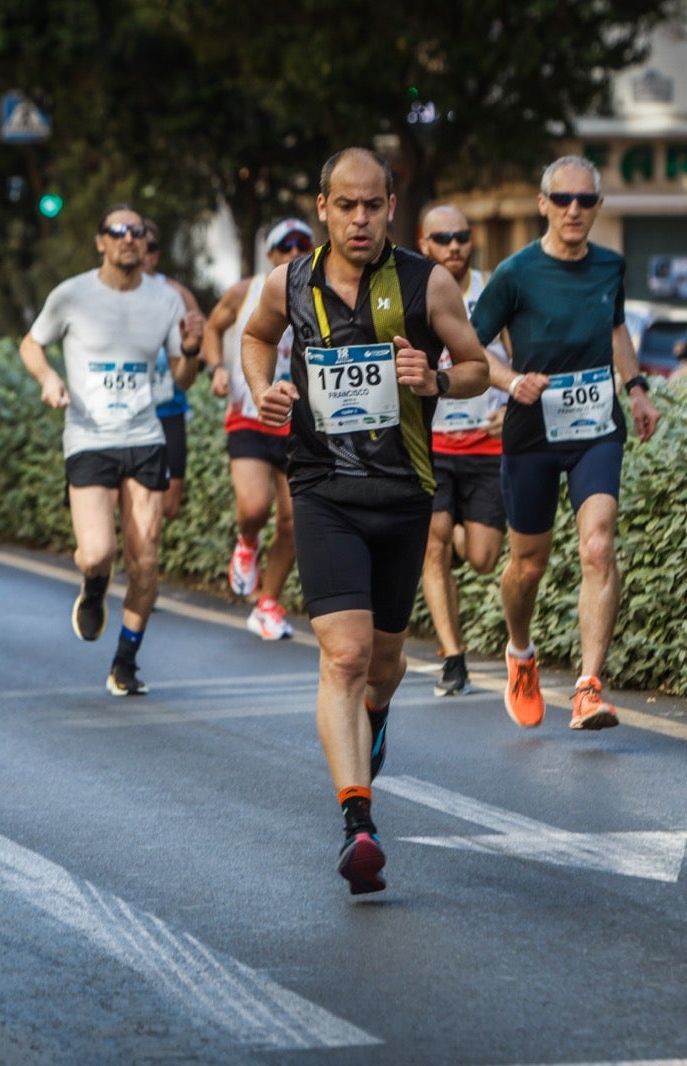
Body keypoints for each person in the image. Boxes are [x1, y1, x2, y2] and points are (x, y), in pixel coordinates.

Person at [241, 148, 490, 895]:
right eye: (345, 205)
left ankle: (377, 711)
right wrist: (266, 390)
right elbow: (257, 339)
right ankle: (358, 824)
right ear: (322, 206)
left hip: (404, 492)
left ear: (390, 208)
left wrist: (438, 378)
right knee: (343, 656)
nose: (359, 219)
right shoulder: (289, 283)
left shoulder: (425, 281)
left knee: (382, 663)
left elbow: (475, 363)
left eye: (372, 206)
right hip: (322, 488)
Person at [470, 155, 661, 732]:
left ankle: (587, 686)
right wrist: (509, 381)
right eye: (562, 200)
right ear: (543, 204)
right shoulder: (515, 273)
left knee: (598, 548)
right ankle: (521, 653)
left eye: (585, 201)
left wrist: (637, 389)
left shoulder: (610, 266)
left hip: (596, 426)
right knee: (527, 565)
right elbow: (468, 346)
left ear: (598, 207)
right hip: (532, 428)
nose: (573, 210)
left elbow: (615, 328)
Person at [19, 204, 204, 696]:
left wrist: (190, 351)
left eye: (137, 232)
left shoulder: (164, 299)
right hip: (89, 436)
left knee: (144, 561)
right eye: (117, 231)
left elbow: (181, 379)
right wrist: (48, 377)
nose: (128, 238)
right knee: (98, 552)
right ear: (100, 241)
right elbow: (30, 345)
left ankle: (125, 661)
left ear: (146, 242)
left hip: (144, 436)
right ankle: (95, 585)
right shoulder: (72, 295)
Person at [201, 218, 315, 641]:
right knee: (254, 507)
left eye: (302, 245)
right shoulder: (245, 291)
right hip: (249, 414)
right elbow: (214, 327)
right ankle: (246, 541)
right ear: (270, 254)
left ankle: (268, 603)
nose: (293, 253)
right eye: (284, 246)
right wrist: (216, 368)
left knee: (292, 520)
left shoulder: (321, 295)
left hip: (297, 422)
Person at [417, 204, 512, 696]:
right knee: (432, 538)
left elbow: (519, 354)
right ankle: (454, 659)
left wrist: (514, 402)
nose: (454, 245)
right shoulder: (415, 287)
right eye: (443, 238)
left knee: (482, 558)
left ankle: (456, 535)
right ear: (425, 243)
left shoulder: (495, 286)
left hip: (485, 443)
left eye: (462, 236)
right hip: (430, 440)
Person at [142, 219, 205, 521]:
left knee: (169, 505)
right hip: (128, 411)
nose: (144, 254)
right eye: (140, 246)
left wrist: (191, 352)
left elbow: (198, 345)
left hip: (169, 408)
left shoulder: (177, 294)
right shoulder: (109, 295)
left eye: (151, 248)